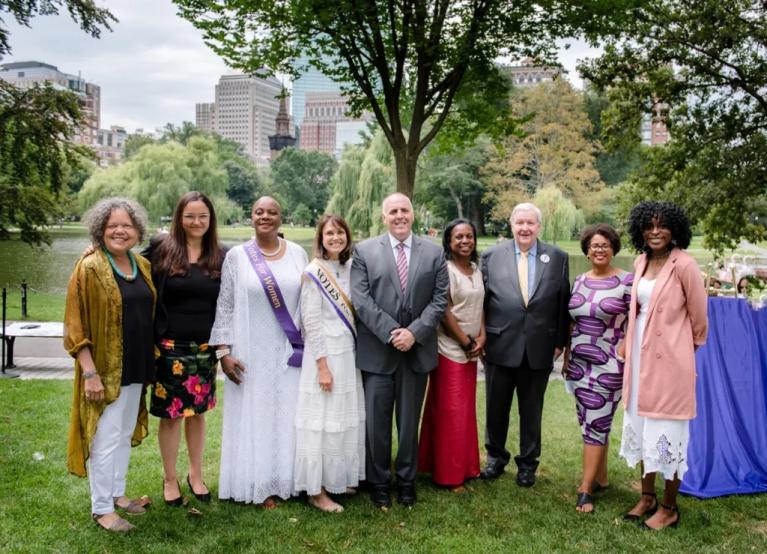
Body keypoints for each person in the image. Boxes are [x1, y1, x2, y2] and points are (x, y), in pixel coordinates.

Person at [209, 196, 308, 507]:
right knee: (256, 415)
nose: (265, 216)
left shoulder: (298, 254)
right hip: (249, 352)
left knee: (286, 415)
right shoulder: (237, 257)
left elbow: (307, 303)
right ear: (251, 216)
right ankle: (256, 482)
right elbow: (224, 306)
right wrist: (222, 353)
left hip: (288, 352)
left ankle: (287, 481)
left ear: (281, 217)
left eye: (272, 212)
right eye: (259, 212)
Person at [351, 192, 449, 507]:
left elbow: (439, 300)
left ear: (413, 214)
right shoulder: (364, 251)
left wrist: (415, 333)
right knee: (376, 426)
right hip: (378, 353)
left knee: (408, 425)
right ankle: (379, 482)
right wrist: (393, 333)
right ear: (384, 217)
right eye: (393, 211)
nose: (399, 216)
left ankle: (406, 480)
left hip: (415, 353)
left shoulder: (434, 253)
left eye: (404, 210)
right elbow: (361, 300)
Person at [64, 197, 156, 532]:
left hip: (136, 365)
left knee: (122, 433)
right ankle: (101, 509)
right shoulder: (89, 267)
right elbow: (75, 326)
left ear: (137, 231)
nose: (119, 231)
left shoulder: (141, 265)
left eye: (126, 226)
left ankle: (117, 494)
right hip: (103, 369)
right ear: (100, 231)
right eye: (112, 226)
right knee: (104, 437)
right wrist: (90, 372)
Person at [619, 201, 708, 530]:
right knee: (642, 427)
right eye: (649, 225)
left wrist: (680, 352)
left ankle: (669, 507)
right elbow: (637, 310)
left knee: (667, 433)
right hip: (640, 358)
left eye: (662, 225)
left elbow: (699, 321)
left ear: (675, 229)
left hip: (671, 361)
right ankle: (647, 496)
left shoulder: (684, 265)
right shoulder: (641, 261)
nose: (655, 231)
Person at [142, 192, 225, 506]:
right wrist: (96, 249)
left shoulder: (220, 255)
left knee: (198, 414)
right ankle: (169, 477)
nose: (196, 221)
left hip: (205, 350)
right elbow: (127, 265)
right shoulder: (162, 250)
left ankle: (196, 473)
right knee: (172, 417)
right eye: (190, 216)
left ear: (210, 219)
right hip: (169, 349)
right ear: (179, 218)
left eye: (202, 215)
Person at [480, 202, 570, 487]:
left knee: (532, 411)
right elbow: (481, 302)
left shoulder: (557, 257)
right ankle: (495, 458)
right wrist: (481, 336)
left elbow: (562, 302)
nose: (525, 228)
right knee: (496, 407)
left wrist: (559, 342)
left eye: (531, 223)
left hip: (539, 348)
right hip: (499, 344)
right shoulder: (491, 256)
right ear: (511, 225)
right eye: (520, 223)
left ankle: (528, 464)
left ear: (538, 227)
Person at [294, 215, 365, 513]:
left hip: (349, 354)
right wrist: (323, 366)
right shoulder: (314, 272)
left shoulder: (351, 268)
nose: (335, 238)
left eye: (340, 233)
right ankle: (316, 490)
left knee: (343, 419)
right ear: (320, 238)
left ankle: (338, 479)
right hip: (326, 357)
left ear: (347, 236)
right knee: (322, 423)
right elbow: (311, 322)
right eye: (329, 233)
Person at [563, 224, 633, 513]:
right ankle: (601, 478)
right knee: (589, 420)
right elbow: (572, 321)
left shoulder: (627, 281)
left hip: (608, 363)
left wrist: (625, 346)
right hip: (579, 362)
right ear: (587, 250)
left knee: (596, 420)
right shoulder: (579, 280)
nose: (599, 249)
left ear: (613, 248)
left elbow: (638, 320)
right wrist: (567, 355)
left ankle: (585, 489)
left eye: (605, 245)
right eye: (594, 245)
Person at [417, 219, 485, 491]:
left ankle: (466, 466)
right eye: (459, 237)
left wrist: (482, 337)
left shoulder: (477, 269)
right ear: (448, 241)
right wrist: (466, 342)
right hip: (450, 350)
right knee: (450, 413)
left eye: (469, 236)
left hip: (473, 348)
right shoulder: (444, 269)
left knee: (465, 411)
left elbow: (482, 305)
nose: (465, 241)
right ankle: (448, 476)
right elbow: (443, 311)